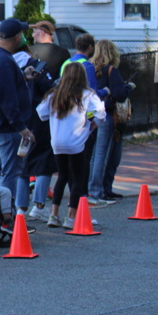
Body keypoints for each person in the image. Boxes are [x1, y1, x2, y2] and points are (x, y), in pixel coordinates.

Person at [0, 18, 35, 225]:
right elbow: (6, 97)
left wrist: (22, 76)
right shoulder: (2, 60)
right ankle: (6, 218)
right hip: (5, 127)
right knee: (9, 173)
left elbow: (1, 87)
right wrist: (21, 127)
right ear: (17, 37)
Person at [37, 63, 105, 229]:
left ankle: (54, 215)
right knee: (78, 178)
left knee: (62, 176)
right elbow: (101, 113)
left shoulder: (54, 94)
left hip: (57, 141)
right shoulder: (87, 94)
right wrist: (92, 125)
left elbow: (41, 113)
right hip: (76, 141)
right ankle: (70, 217)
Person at [26, 21, 68, 220]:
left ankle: (20, 206)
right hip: (48, 109)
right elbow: (64, 80)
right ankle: (39, 204)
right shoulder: (62, 54)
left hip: (26, 110)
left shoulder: (29, 52)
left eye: (35, 30)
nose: (32, 33)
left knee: (23, 157)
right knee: (45, 157)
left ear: (43, 32)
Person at [87, 39, 135, 205]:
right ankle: (97, 191)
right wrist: (128, 87)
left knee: (96, 155)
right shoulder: (111, 70)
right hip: (108, 115)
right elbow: (119, 94)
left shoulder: (91, 69)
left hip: (93, 114)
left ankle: (97, 188)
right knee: (103, 154)